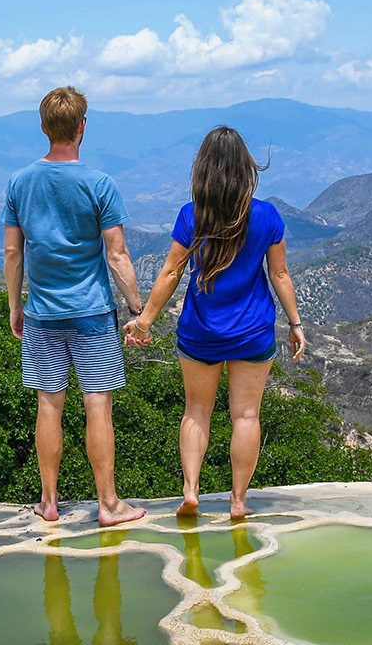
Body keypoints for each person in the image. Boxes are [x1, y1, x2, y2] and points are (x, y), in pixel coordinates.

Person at [123, 125, 306, 520]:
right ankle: (238, 501)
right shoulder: (267, 216)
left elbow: (171, 272)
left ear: (203, 170)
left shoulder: (192, 217)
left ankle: (191, 490)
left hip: (201, 331)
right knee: (246, 416)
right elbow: (281, 275)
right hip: (253, 332)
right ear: (245, 169)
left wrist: (144, 322)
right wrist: (295, 323)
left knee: (196, 412)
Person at [4, 86, 148, 527]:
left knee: (49, 405)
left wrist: (16, 306)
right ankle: (108, 504)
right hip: (91, 313)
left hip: (43, 313)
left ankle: (49, 503)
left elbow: (13, 253)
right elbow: (117, 254)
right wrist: (139, 308)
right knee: (97, 405)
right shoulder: (100, 184)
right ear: (82, 128)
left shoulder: (19, 183)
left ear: (44, 128)